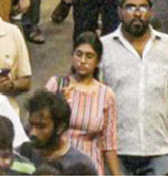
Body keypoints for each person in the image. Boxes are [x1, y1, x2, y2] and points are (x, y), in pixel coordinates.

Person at [100, 0, 168, 175]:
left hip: (160, 149)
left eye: (143, 7)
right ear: (119, 11)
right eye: (130, 7)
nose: (137, 13)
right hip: (117, 150)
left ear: (151, 11)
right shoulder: (103, 48)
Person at [46, 32, 121, 174]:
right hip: (58, 162)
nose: (83, 60)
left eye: (89, 56)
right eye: (78, 54)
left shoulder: (106, 94)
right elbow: (41, 125)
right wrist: (58, 103)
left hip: (90, 165)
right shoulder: (56, 85)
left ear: (98, 61)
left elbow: (109, 142)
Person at [21, 90, 99, 173]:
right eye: (31, 125)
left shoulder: (80, 165)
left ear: (60, 128)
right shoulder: (23, 156)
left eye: (41, 127)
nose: (33, 133)